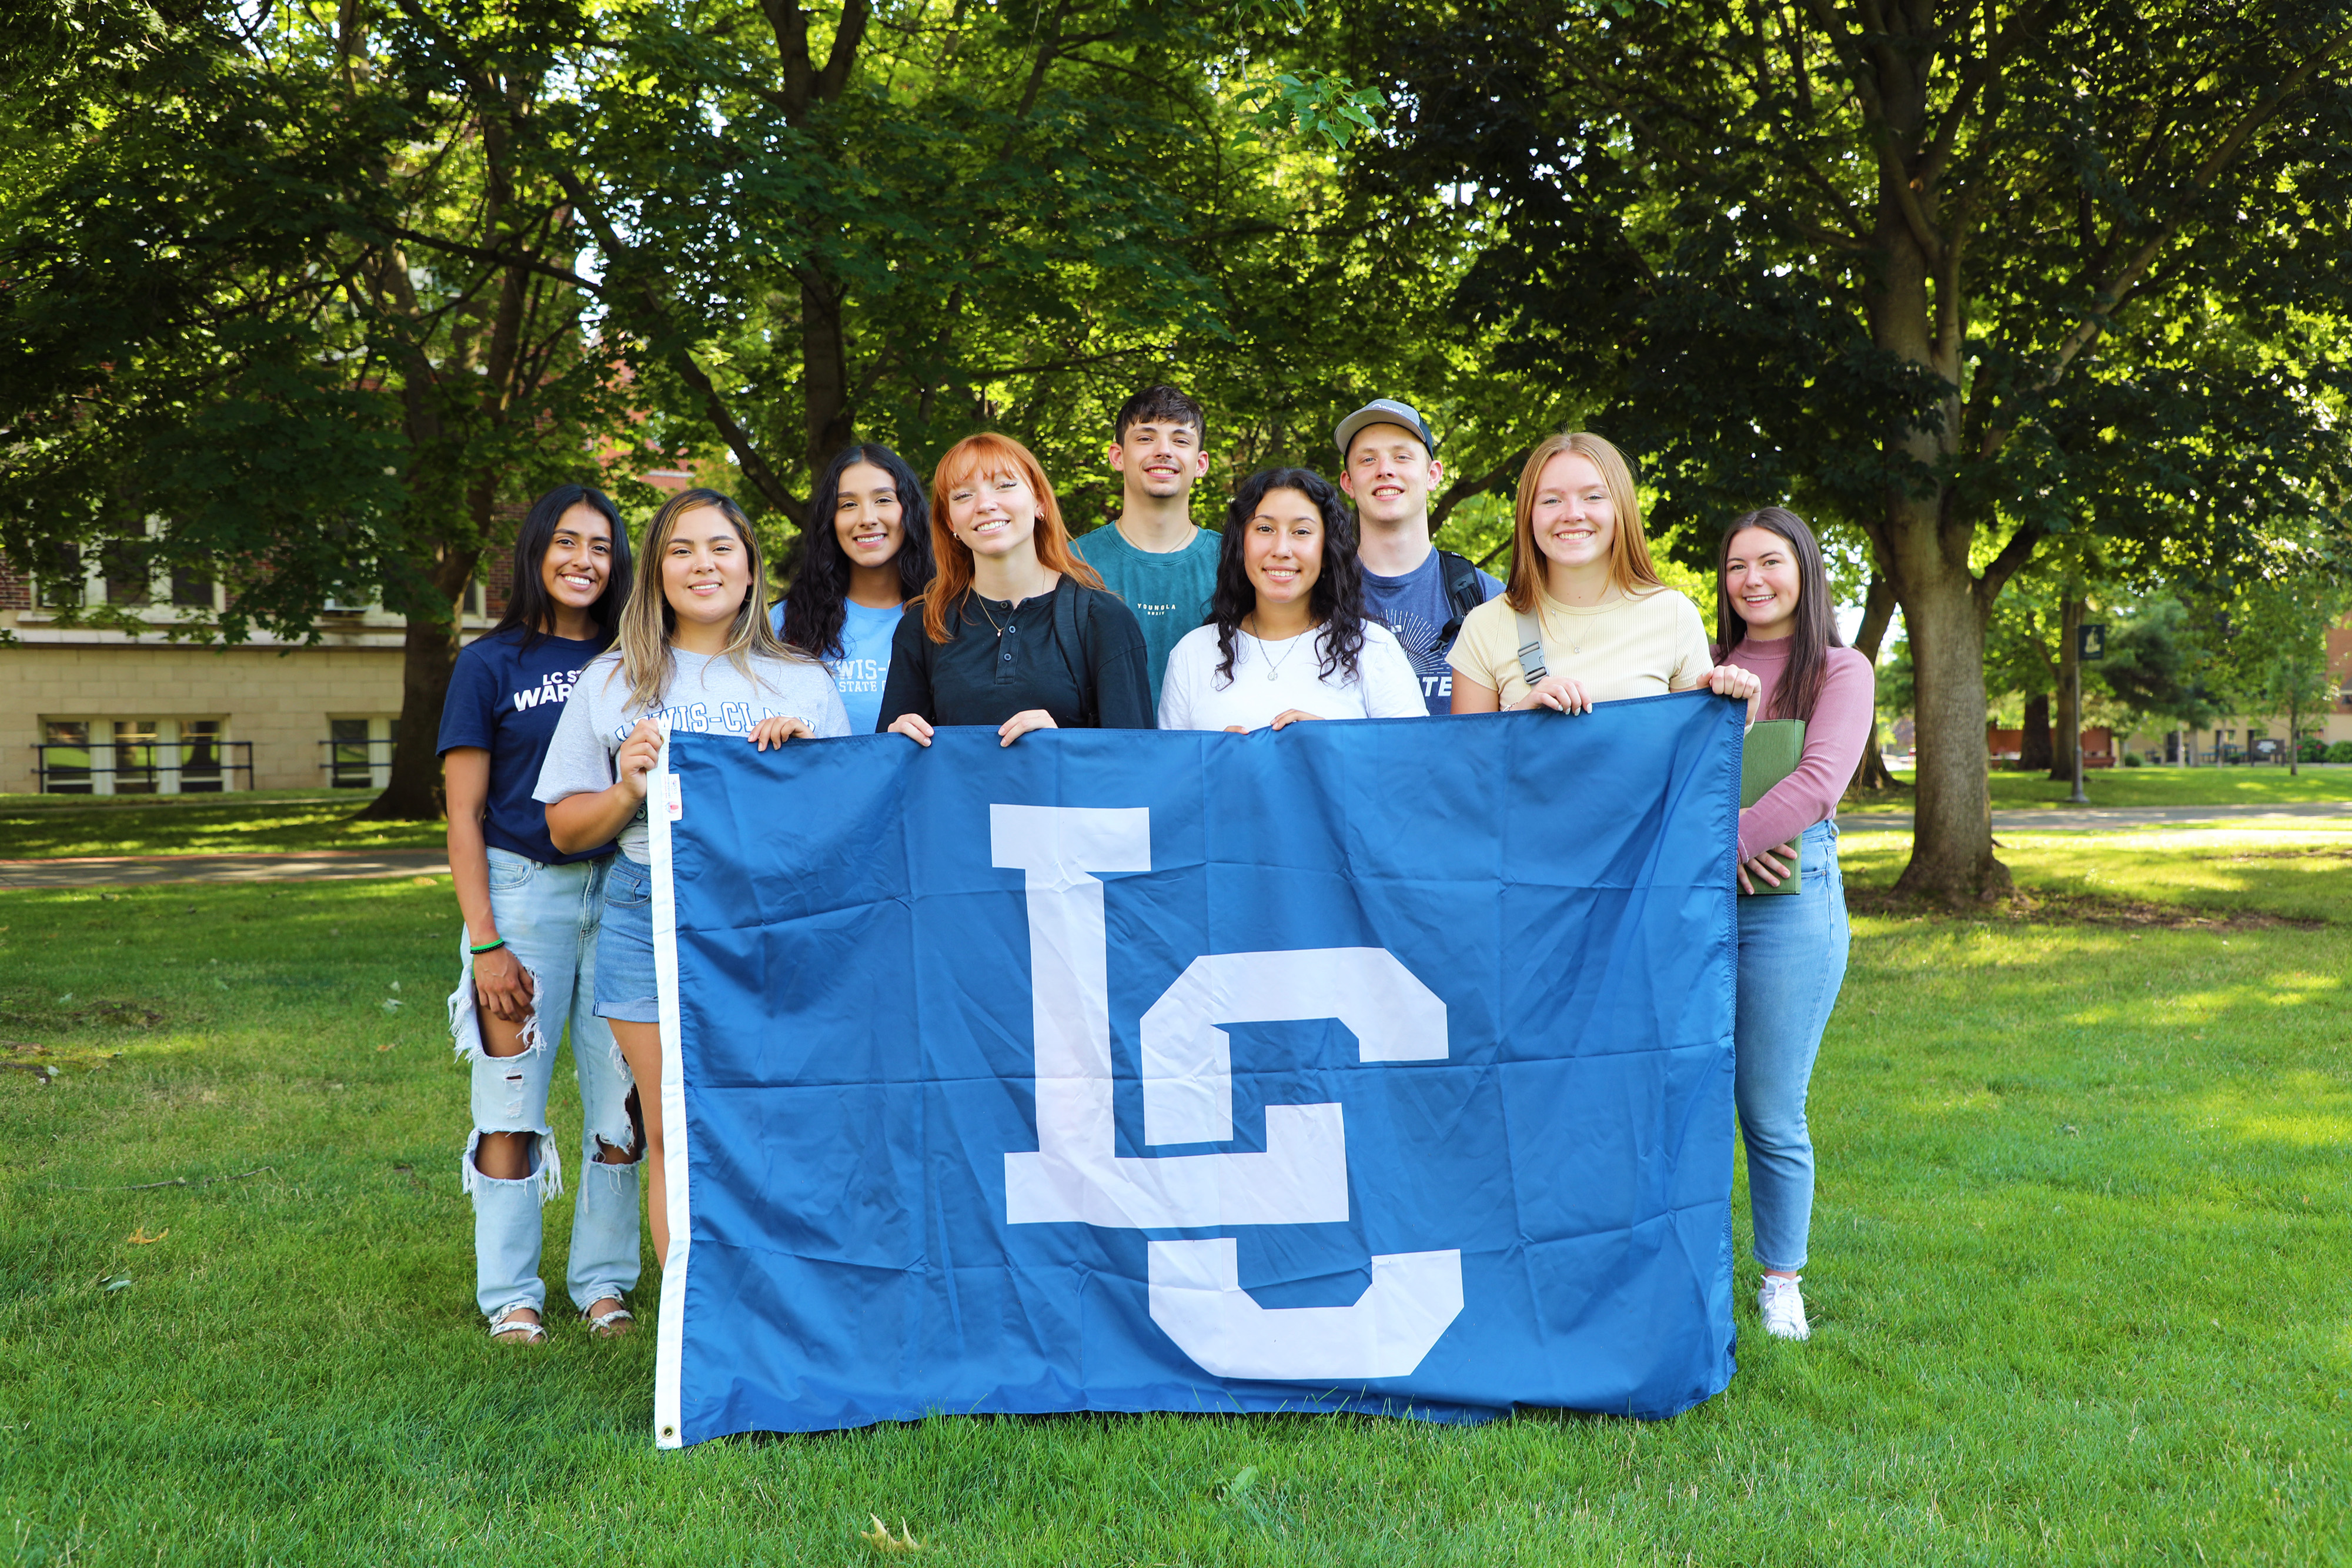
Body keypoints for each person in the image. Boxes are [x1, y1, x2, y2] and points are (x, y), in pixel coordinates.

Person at [537, 487, 850, 1265]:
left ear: (750, 570)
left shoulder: (802, 680)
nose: (702, 564)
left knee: (772, 1117)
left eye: (720, 548)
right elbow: (564, 825)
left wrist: (807, 764)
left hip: (773, 918)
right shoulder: (613, 679)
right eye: (681, 549)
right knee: (676, 1119)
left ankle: (778, 1296)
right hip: (648, 908)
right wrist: (625, 788)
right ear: (656, 571)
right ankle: (696, 1324)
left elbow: (846, 827)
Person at [438, 484, 640, 1345]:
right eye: (566, 542)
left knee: (620, 1108)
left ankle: (604, 1284)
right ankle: (511, 1293)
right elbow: (463, 815)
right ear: (535, 552)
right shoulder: (491, 663)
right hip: (526, 895)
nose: (582, 559)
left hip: (626, 895)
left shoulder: (641, 662)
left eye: (600, 545)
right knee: (509, 1101)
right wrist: (487, 940)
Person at [1713, 506, 1875, 1342]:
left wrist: (1725, 842)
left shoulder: (1840, 669)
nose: (1753, 579)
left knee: (1770, 1105)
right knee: (1689, 1095)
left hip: (1791, 903)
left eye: (1770, 562)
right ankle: (1691, 1264)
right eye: (1738, 565)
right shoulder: (1702, 666)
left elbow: (1817, 783)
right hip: (1697, 905)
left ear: (1805, 570)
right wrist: (1712, 858)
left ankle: (1781, 1279)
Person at [1448, 430, 1758, 713]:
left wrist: (1737, 713)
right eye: (1552, 500)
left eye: (1593, 497)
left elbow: (1694, 756)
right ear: (1528, 515)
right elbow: (1464, 765)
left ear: (1620, 508)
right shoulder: (1485, 626)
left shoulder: (1674, 615)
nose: (1572, 514)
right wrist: (1520, 717)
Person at [878, 433, 1154, 746]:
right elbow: (888, 775)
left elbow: (1135, 763)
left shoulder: (1104, 620)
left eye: (1005, 485)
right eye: (963, 495)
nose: (985, 504)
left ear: (1040, 502)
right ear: (950, 522)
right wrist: (895, 744)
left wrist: (1059, 747)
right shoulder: (925, 625)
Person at [1157, 467, 1424, 731]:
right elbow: (1172, 771)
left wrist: (1336, 744)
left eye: (1302, 532)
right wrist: (1216, 758)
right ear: (1241, 543)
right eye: (1265, 528)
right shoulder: (1192, 654)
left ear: (1326, 547)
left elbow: (1413, 765)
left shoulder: (1374, 649)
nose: (1282, 550)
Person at [1334, 397, 1503, 715]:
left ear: (1433, 475)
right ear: (1348, 482)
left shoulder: (1484, 597)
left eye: (1401, 457)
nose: (1385, 470)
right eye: (1368, 460)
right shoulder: (1320, 592)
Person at [770, 443, 933, 735]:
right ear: (830, 521)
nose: (867, 519)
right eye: (848, 504)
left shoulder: (946, 617)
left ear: (909, 510)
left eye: (883, 500)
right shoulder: (784, 622)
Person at [1072, 385, 1220, 700]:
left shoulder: (1235, 560)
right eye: (1145, 438)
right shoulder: (1073, 563)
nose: (1164, 450)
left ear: (1201, 464)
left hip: (1209, 748)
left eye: (1181, 440)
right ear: (1117, 456)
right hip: (1106, 748)